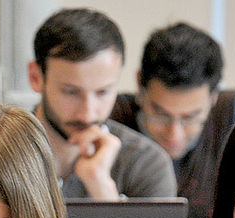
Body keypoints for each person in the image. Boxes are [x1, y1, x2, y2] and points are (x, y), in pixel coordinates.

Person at [108, 22, 235, 218]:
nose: (174, 133)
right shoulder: (106, 117)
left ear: (213, 97)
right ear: (140, 85)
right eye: (159, 114)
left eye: (190, 118)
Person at [27, 8, 176, 201]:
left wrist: (101, 186)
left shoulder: (146, 164)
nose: (88, 114)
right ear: (36, 77)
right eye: (71, 92)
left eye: (102, 92)